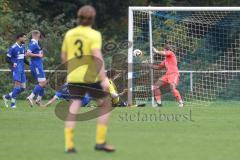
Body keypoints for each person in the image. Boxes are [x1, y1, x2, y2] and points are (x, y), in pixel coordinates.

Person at [61, 5, 115, 153]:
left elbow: (64, 57)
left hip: (73, 76)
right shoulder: (94, 34)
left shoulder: (69, 34)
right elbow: (97, 56)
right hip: (91, 76)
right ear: (93, 18)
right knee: (105, 105)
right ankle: (100, 142)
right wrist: (103, 78)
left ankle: (69, 145)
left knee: (74, 106)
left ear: (78, 17)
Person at [2, 33, 27, 108]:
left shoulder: (23, 46)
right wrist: (13, 63)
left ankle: (6, 97)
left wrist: (30, 64)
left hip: (22, 69)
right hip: (16, 69)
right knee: (17, 87)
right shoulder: (13, 47)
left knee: (23, 88)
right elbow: (7, 58)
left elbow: (23, 58)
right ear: (19, 38)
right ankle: (12, 104)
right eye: (24, 38)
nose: (25, 39)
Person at [26, 30, 46, 106]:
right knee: (42, 83)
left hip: (37, 65)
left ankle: (38, 100)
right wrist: (38, 55)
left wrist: (39, 54)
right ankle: (31, 97)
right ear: (38, 35)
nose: (41, 38)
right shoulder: (34, 43)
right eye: (41, 36)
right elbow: (27, 54)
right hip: (36, 66)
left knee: (43, 84)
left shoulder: (36, 44)